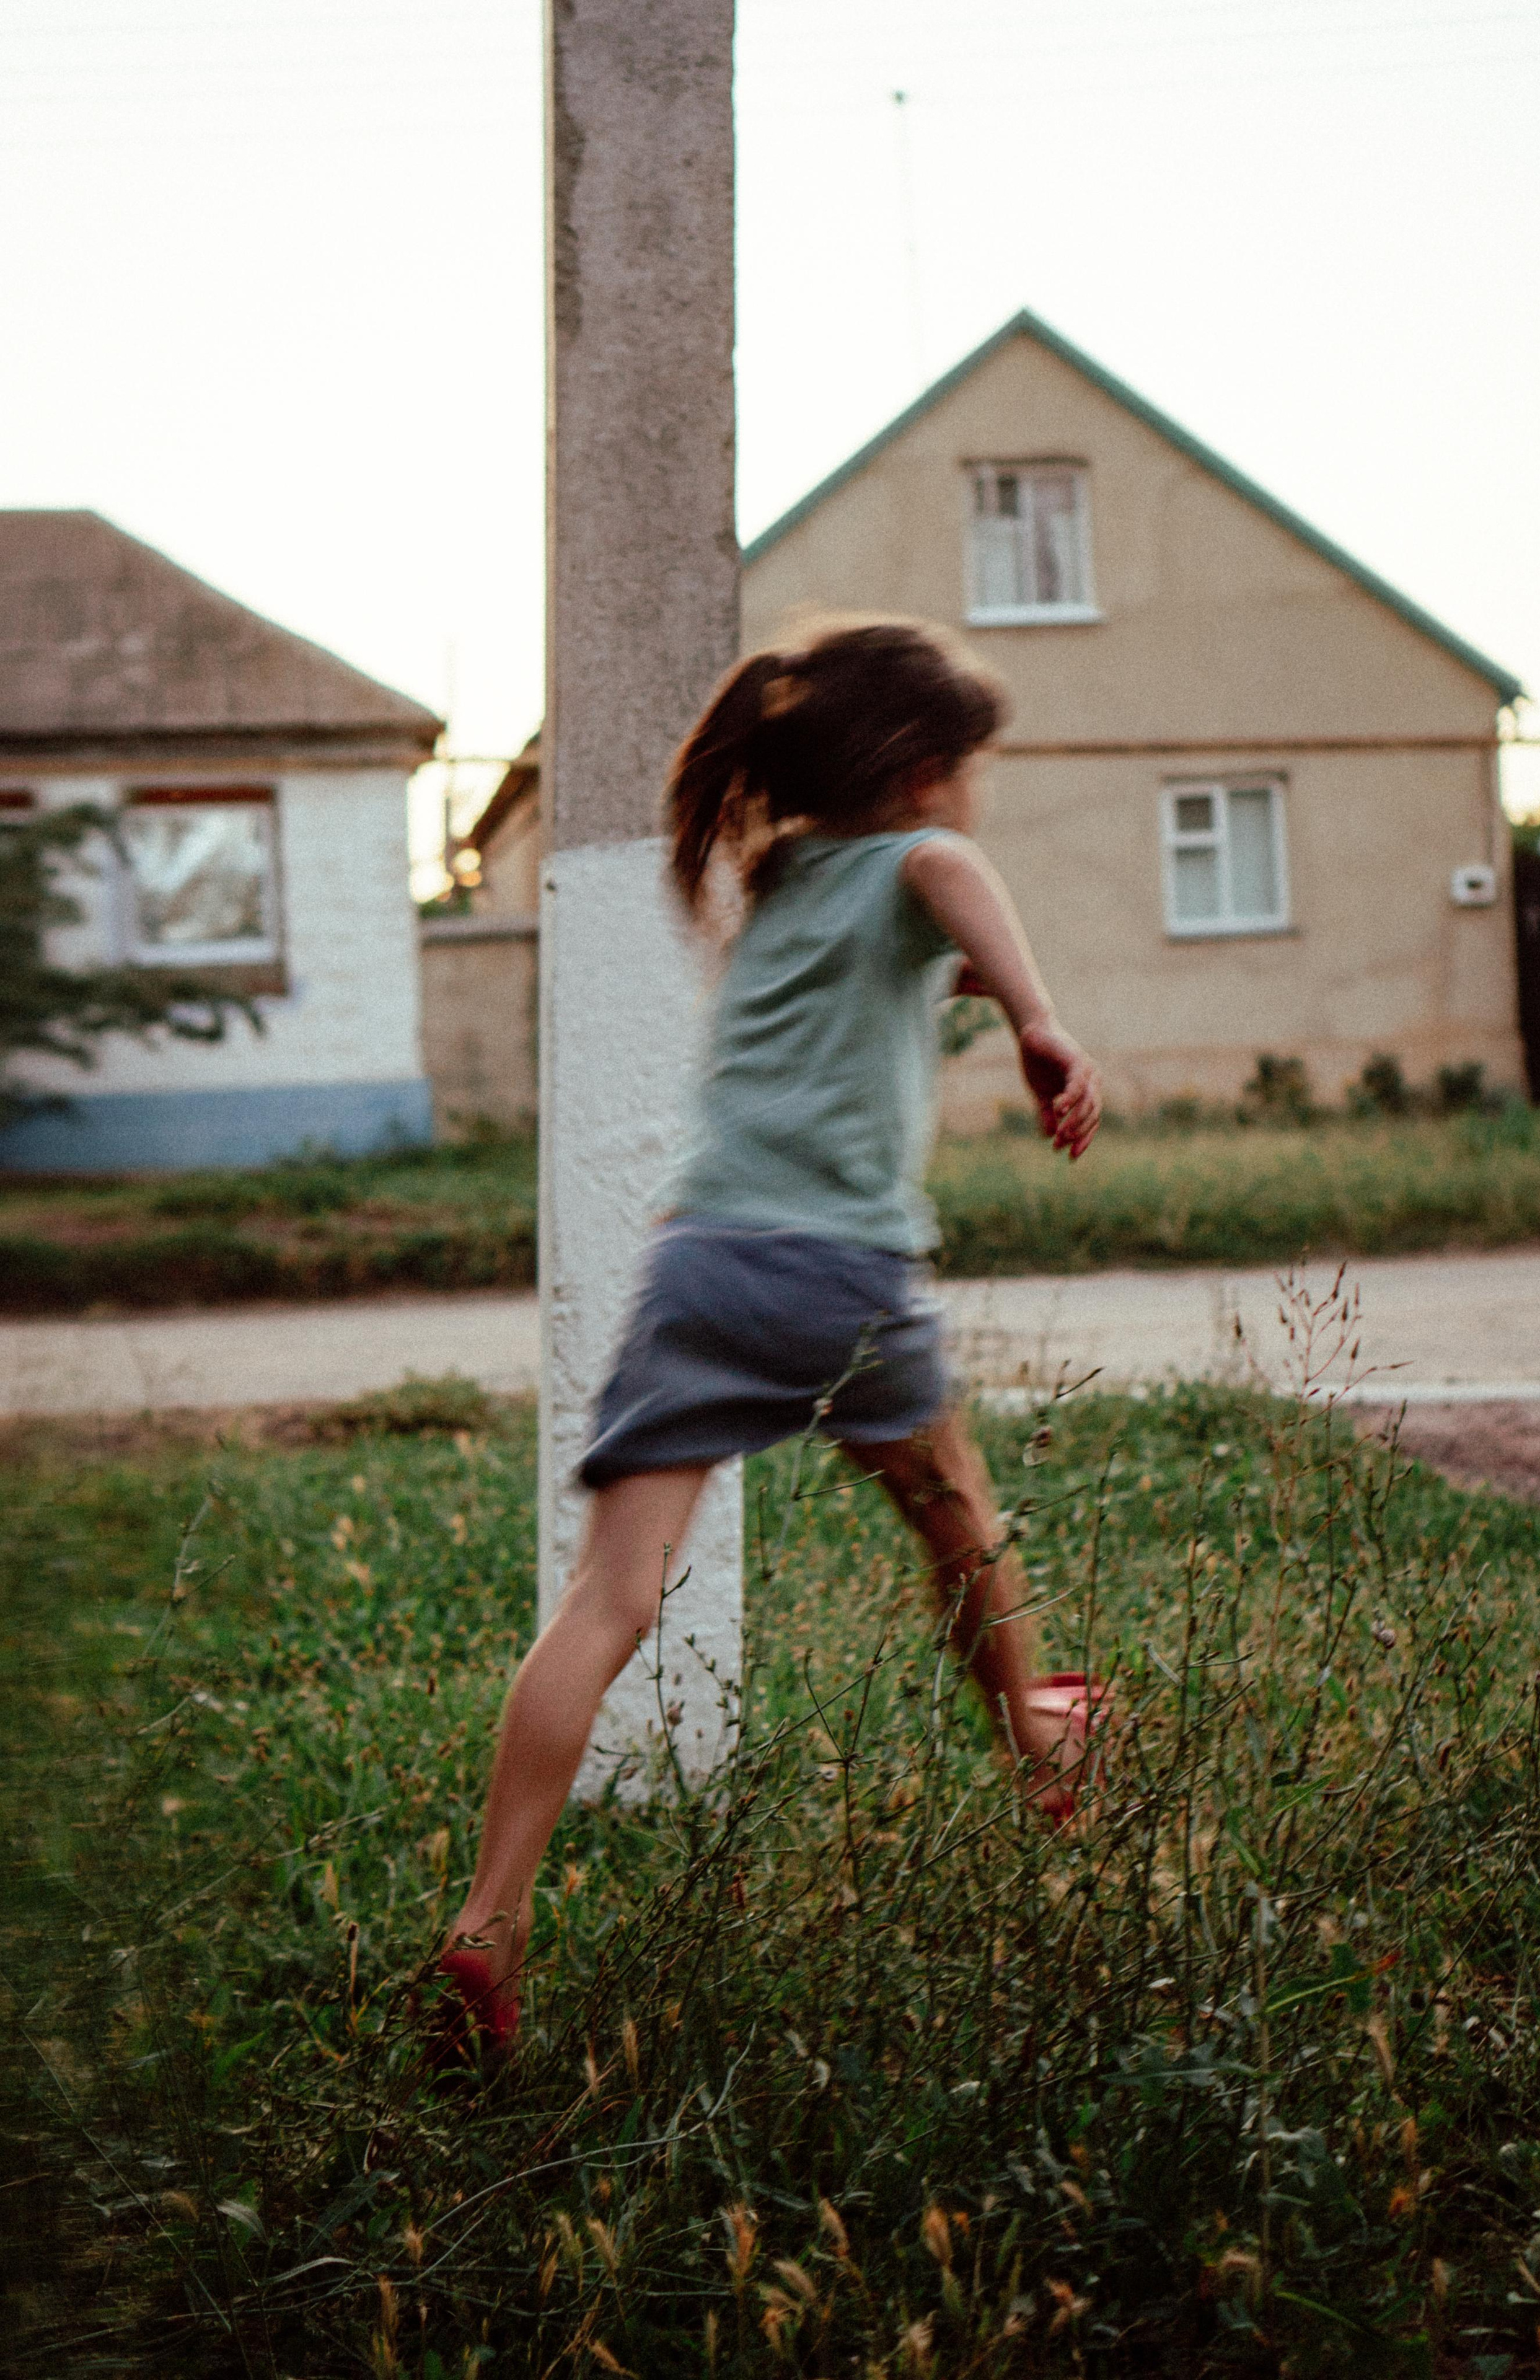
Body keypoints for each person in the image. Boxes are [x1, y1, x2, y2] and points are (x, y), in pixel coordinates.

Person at [433, 618, 1103, 2058]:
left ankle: (489, 1918)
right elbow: (945, 877)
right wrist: (1043, 1020)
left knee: (606, 1603)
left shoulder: (782, 874)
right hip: (841, 1272)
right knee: (959, 1527)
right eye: (967, 771)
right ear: (925, 771)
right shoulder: (928, 858)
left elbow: (904, 942)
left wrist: (970, 984)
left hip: (696, 1268)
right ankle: (1043, 1750)